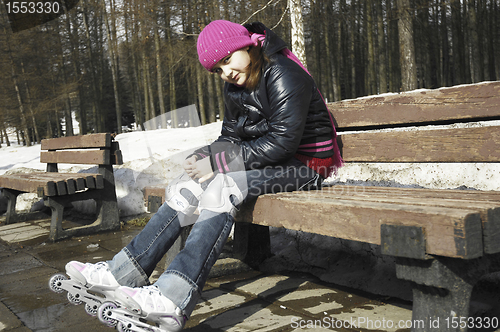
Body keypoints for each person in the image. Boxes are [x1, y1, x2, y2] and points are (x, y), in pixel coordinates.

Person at [53, 20, 343, 331]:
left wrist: (220, 164)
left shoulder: (284, 73)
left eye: (227, 60)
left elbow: (283, 143)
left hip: (307, 165)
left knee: (223, 184)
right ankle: (122, 273)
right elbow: (231, 138)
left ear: (246, 46)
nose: (226, 72)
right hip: (274, 162)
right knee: (187, 187)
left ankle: (172, 299)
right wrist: (205, 156)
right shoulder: (235, 87)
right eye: (217, 69)